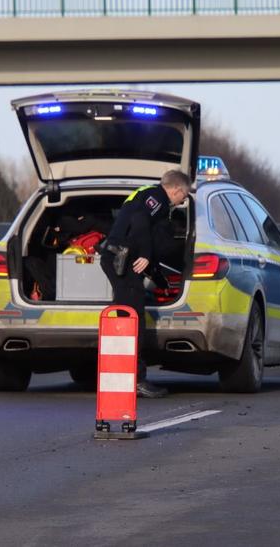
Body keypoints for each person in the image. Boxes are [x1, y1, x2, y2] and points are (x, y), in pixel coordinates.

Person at [98, 169, 192, 398]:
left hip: (119, 258)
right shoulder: (157, 198)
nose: (184, 200)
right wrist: (147, 254)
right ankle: (135, 380)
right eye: (185, 195)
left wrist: (155, 271)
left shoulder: (146, 194)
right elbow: (140, 222)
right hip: (121, 259)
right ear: (177, 190)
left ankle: (122, 377)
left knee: (127, 316)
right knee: (132, 319)